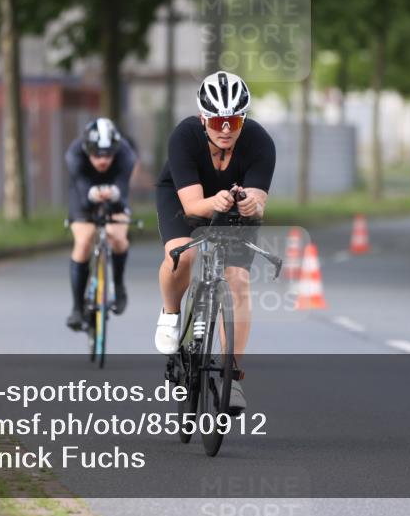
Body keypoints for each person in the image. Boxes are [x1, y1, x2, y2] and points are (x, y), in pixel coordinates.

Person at [154, 71, 275, 413]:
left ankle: (232, 377)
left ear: (244, 118)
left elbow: (257, 198)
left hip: (232, 207)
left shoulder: (260, 142)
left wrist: (250, 203)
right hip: (183, 197)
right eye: (219, 120)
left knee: (238, 280)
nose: (226, 128)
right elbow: (193, 207)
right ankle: (171, 312)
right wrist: (215, 201)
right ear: (203, 118)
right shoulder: (184, 136)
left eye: (234, 120)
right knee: (182, 257)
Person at [65, 118, 137, 331]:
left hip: (115, 192)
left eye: (108, 154)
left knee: (117, 237)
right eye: (96, 154)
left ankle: (119, 285)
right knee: (84, 239)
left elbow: (123, 186)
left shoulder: (126, 153)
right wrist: (92, 195)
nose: (103, 160)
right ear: (87, 150)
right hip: (82, 192)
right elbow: (80, 186)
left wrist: (115, 194)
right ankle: (77, 308)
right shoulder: (74, 153)